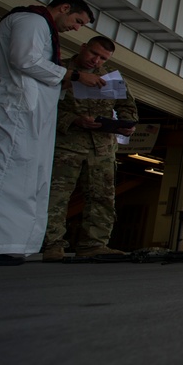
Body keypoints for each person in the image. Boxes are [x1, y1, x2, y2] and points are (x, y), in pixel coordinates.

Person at [0, 0, 105, 265]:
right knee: (8, 173)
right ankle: (3, 242)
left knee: (26, 178)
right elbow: (23, 59)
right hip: (18, 111)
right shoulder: (31, 20)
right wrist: (74, 75)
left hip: (32, 114)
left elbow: (35, 69)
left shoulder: (43, 28)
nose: (76, 27)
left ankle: (13, 243)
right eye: (77, 20)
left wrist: (63, 84)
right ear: (64, 8)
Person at [42, 37, 138, 261]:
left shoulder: (111, 76)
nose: (96, 61)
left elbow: (127, 105)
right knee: (56, 196)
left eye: (102, 58)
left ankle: (94, 244)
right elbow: (41, 107)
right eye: (93, 54)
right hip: (66, 145)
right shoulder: (60, 70)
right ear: (83, 47)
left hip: (102, 149)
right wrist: (73, 120)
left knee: (102, 197)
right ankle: (52, 245)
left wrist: (126, 124)